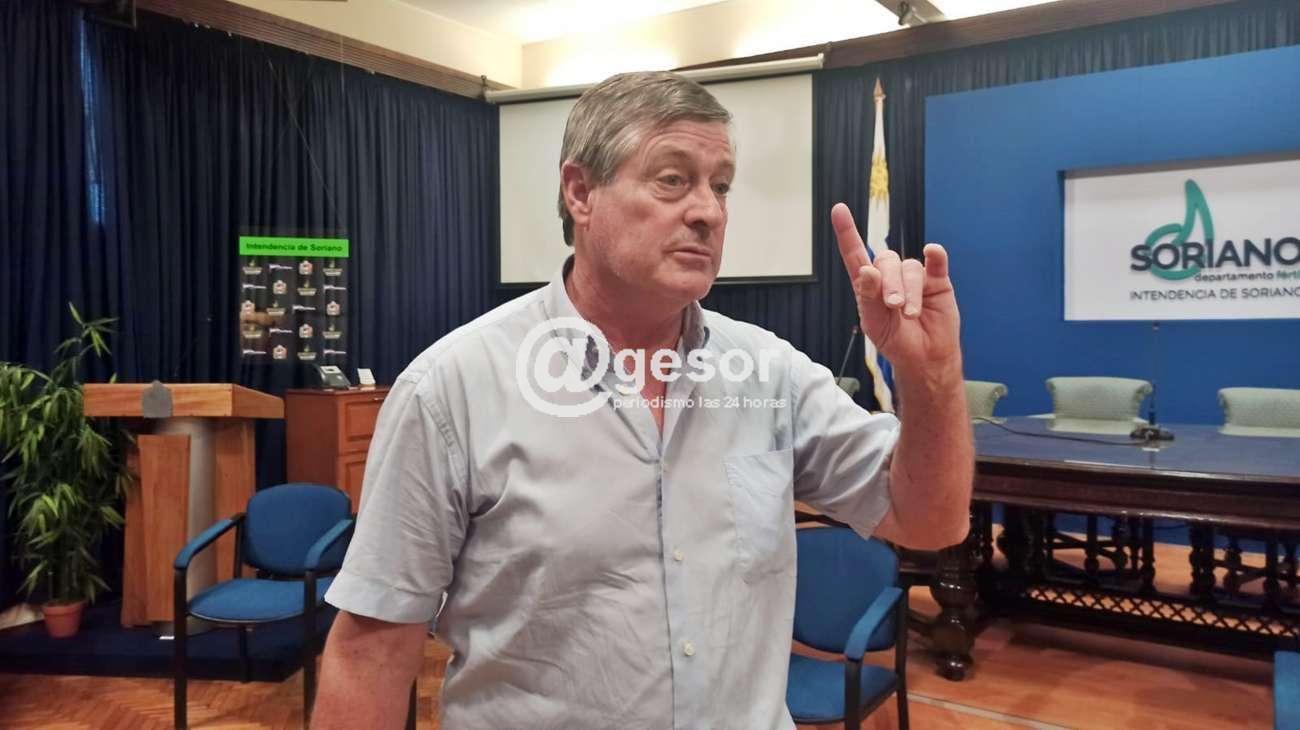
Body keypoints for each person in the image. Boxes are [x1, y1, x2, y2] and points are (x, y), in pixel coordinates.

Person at [312, 70, 972, 729]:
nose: (709, 211)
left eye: (721, 185)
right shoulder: (451, 389)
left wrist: (932, 376)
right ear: (580, 192)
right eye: (673, 179)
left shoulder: (771, 373)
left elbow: (930, 523)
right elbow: (373, 650)